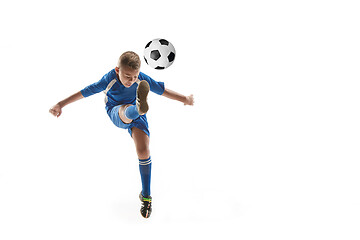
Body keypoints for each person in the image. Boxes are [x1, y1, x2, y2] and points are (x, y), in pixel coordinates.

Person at [49, 51, 194, 218]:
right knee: (126, 111)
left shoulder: (141, 79)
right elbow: (85, 91)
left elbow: (163, 91)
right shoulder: (108, 80)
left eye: (134, 77)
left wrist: (185, 99)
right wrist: (60, 104)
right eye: (127, 76)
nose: (131, 81)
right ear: (117, 70)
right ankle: (138, 108)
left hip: (139, 114)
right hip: (117, 111)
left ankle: (146, 196)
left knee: (144, 151)